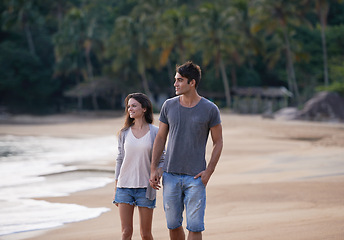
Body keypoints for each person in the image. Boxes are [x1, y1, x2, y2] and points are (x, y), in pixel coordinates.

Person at [150, 61, 223, 240]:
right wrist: (153, 168)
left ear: (192, 83)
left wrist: (209, 171)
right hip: (170, 175)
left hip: (196, 177)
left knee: (195, 227)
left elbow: (218, 141)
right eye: (175, 80)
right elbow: (160, 138)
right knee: (173, 225)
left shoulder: (210, 109)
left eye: (180, 80)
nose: (175, 84)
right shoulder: (168, 106)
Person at [113, 93, 164, 240]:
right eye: (128, 106)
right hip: (124, 187)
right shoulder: (124, 133)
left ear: (144, 109)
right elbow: (120, 159)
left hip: (146, 188)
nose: (130, 109)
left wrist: (157, 173)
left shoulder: (155, 132)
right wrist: (116, 186)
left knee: (146, 234)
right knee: (126, 233)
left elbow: (162, 159)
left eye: (134, 105)